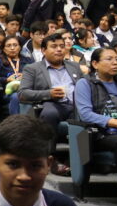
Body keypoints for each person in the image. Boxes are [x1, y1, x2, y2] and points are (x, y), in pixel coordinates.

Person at [74, 47, 117, 206]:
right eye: (109, 59)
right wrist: (116, 123)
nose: (115, 63)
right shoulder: (85, 83)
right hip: (100, 134)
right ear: (95, 64)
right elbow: (85, 114)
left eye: (116, 60)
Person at [18, 33, 85, 175]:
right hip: (52, 104)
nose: (59, 50)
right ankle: (49, 159)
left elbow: (86, 86)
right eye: (54, 47)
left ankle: (79, 160)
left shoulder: (74, 66)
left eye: (61, 46)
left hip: (75, 105)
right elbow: (23, 93)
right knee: (49, 113)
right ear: (43, 50)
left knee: (88, 114)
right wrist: (49, 93)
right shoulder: (33, 68)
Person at [0, 35, 30, 117]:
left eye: (15, 45)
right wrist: (6, 80)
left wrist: (26, 76)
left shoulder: (28, 61)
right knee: (15, 96)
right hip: (8, 92)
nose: (12, 48)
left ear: (20, 47)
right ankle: (16, 124)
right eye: (8, 46)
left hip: (27, 89)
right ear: (3, 49)